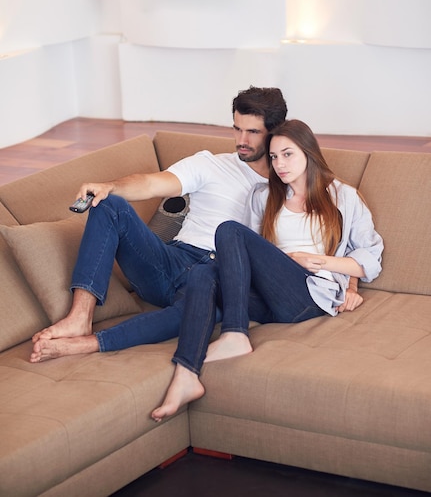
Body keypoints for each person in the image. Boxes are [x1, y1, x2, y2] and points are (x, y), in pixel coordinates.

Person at [30, 86, 287, 363]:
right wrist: (111, 186)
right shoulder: (211, 165)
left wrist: (344, 285)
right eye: (237, 129)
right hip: (171, 260)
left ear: (275, 131)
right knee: (109, 204)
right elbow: (152, 182)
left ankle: (91, 344)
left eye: (253, 132)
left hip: (220, 278)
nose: (241, 140)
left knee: (202, 310)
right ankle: (80, 317)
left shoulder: (290, 184)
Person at [152, 119, 383, 421]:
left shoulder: (342, 197)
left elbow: (370, 256)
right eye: (274, 157)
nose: (280, 164)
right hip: (270, 295)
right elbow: (247, 254)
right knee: (202, 273)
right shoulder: (264, 196)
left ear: (308, 151)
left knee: (229, 230)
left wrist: (318, 263)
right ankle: (186, 375)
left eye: (288, 154)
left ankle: (235, 333)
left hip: (308, 294)